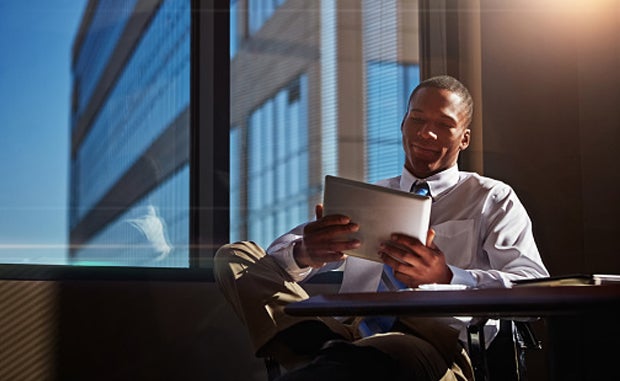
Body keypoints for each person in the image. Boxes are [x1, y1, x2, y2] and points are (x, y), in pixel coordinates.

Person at [214, 75, 549, 381]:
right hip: (349, 331)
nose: (426, 133)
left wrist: (447, 278)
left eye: (444, 125)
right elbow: (274, 261)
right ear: (403, 123)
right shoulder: (368, 194)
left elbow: (533, 290)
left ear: (464, 138)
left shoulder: (492, 197)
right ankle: (333, 354)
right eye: (417, 119)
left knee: (389, 352)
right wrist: (304, 253)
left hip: (433, 345)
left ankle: (327, 359)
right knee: (235, 256)